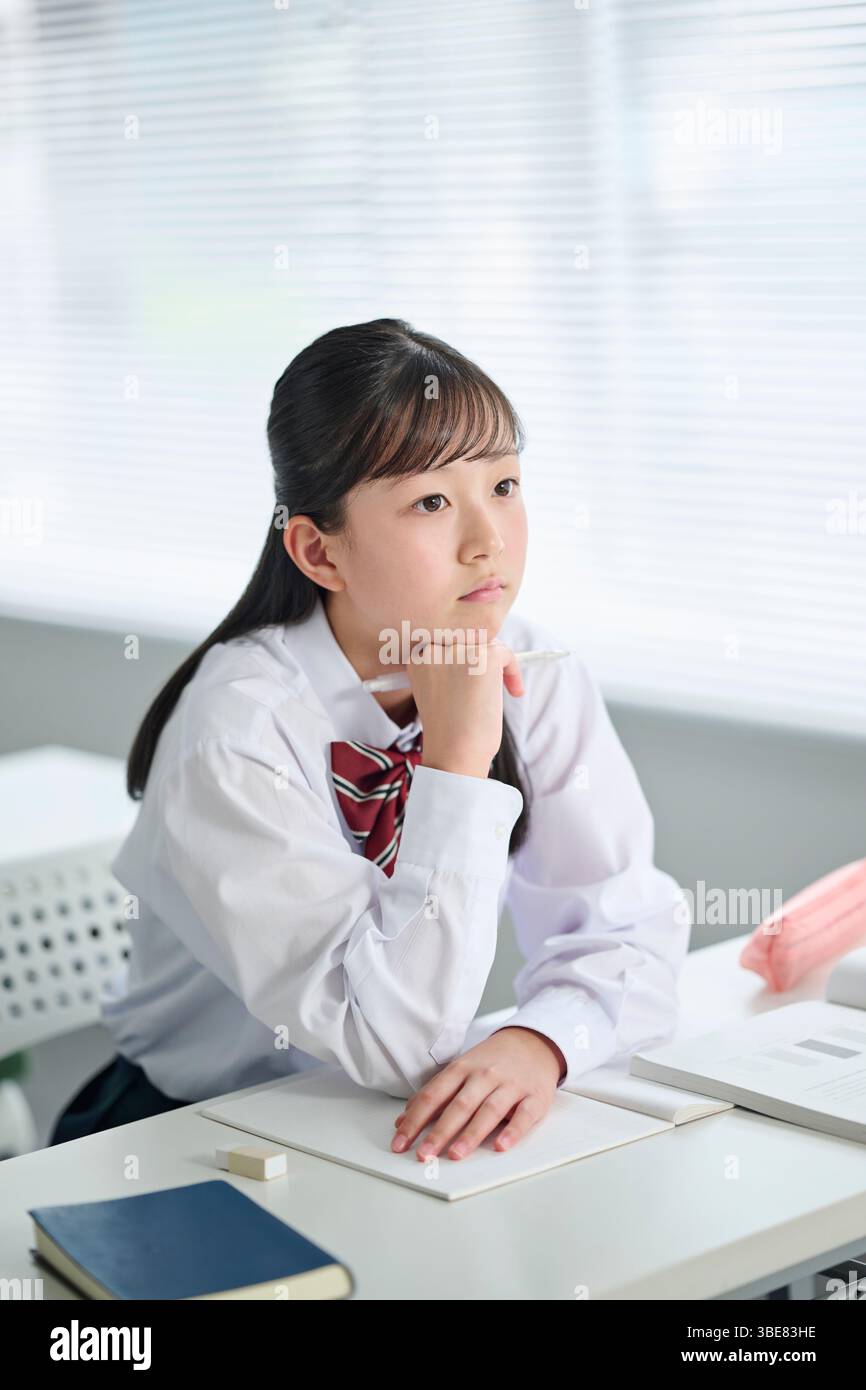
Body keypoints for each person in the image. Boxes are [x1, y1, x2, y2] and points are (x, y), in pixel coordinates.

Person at [50, 318, 691, 1162]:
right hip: (182, 1138)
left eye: (503, 486)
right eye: (432, 501)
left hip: (375, 1132)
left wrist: (544, 1040)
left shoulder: (536, 670)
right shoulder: (237, 731)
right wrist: (459, 761)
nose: (488, 540)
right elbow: (390, 1043)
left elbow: (627, 924)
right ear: (319, 551)